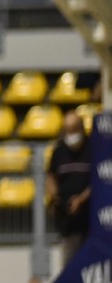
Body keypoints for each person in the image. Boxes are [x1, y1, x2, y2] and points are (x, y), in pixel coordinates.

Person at [47, 110, 92, 265]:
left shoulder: (92, 150)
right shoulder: (59, 151)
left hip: (89, 220)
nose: (71, 135)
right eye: (67, 130)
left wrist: (81, 199)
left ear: (81, 128)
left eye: (74, 129)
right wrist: (54, 196)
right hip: (68, 222)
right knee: (69, 264)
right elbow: (51, 176)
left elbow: (98, 180)